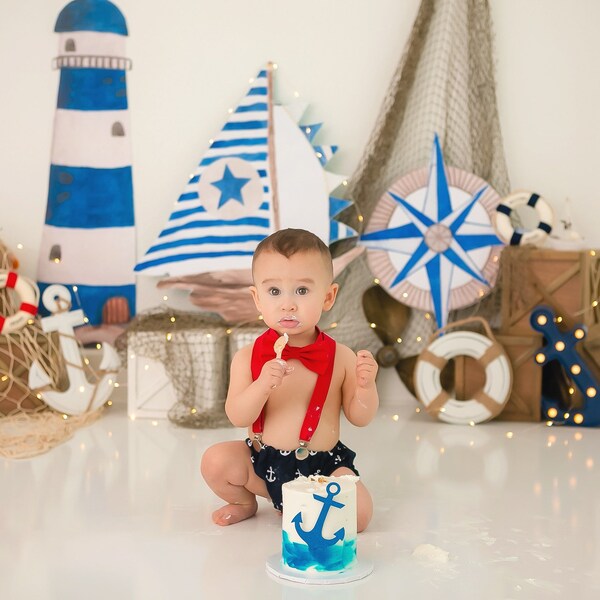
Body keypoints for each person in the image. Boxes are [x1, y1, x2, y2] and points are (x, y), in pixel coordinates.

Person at [201, 228, 379, 532]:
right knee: (215, 460)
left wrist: (365, 387)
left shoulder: (341, 357)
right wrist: (261, 385)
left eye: (301, 291)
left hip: (322, 469)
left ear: (328, 296)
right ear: (257, 298)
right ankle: (246, 503)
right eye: (274, 292)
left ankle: (308, 505)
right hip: (263, 465)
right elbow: (237, 415)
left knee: (360, 515)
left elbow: (360, 417)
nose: (288, 304)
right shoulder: (248, 357)